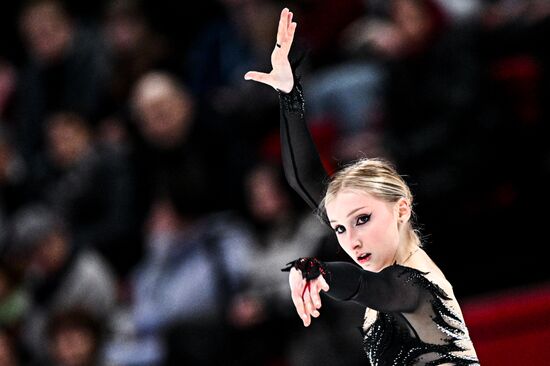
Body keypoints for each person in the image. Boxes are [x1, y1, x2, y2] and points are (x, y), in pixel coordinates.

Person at [244, 8, 479, 365]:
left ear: (402, 208)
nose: (350, 240)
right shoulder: (384, 273)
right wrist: (289, 96)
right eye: (339, 227)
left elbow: (364, 285)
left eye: (362, 219)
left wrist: (318, 270)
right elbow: (304, 180)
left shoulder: (416, 280)